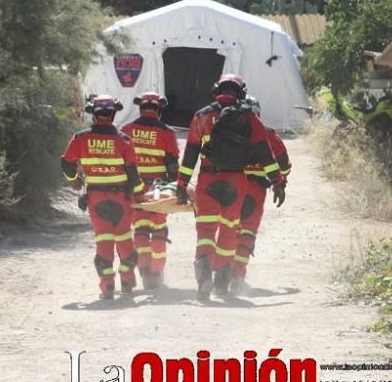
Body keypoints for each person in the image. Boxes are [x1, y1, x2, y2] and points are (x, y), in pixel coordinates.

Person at [176, 74, 286, 300]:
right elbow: (265, 153)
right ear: (241, 92)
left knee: (206, 230)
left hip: (207, 180)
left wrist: (181, 184)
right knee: (228, 229)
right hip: (236, 181)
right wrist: (277, 181)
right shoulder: (248, 117)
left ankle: (204, 275)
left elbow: (190, 155)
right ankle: (222, 281)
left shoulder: (202, 115)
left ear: (217, 90)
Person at [61, 95, 146, 299]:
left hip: (96, 198)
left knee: (104, 241)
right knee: (124, 239)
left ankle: (107, 286)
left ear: (93, 114)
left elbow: (66, 163)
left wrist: (74, 180)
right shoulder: (123, 140)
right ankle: (127, 281)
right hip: (121, 198)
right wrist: (141, 193)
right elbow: (133, 175)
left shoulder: (80, 138)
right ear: (114, 113)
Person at [231, 96, 291, 293]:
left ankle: (222, 271)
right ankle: (237, 275)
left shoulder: (228, 131)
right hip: (255, 190)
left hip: (229, 186)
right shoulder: (268, 134)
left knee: (229, 229)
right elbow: (285, 166)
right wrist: (279, 182)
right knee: (247, 232)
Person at [121, 93, 180, 289]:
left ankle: (144, 271)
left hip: (134, 189)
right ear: (159, 110)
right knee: (159, 230)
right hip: (158, 191)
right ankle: (156, 272)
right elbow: (172, 166)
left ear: (140, 108)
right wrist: (176, 189)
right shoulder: (167, 133)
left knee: (141, 228)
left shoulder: (126, 130)